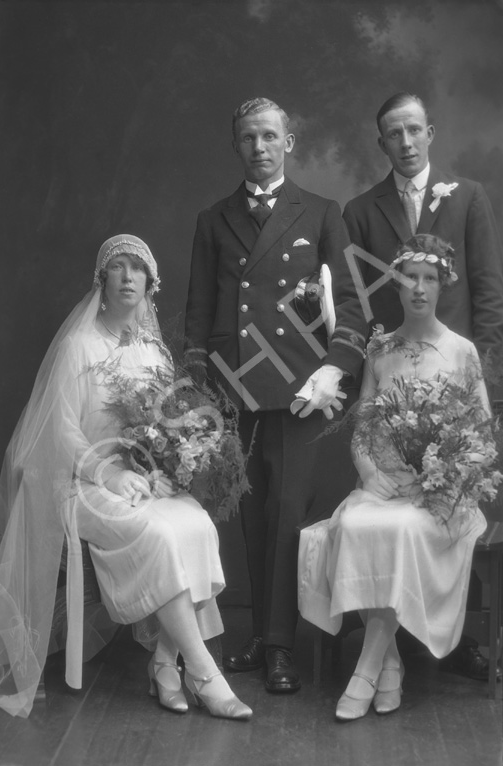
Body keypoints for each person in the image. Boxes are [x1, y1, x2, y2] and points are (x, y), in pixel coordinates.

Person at [0, 234, 252, 720]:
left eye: (138, 269)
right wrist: (105, 472)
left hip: (139, 478)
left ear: (151, 284)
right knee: (156, 533)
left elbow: (166, 423)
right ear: (102, 279)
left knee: (195, 524)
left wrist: (166, 466)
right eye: (119, 267)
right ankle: (203, 672)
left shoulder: (154, 352)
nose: (129, 277)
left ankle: (162, 661)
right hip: (78, 483)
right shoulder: (78, 345)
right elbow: (59, 429)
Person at [184, 97, 367, 693]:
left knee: (287, 515)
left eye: (269, 136)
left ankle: (283, 645)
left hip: (300, 389)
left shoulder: (320, 212)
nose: (259, 148)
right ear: (236, 146)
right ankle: (263, 635)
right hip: (235, 387)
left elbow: (355, 309)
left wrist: (335, 368)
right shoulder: (213, 219)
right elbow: (199, 314)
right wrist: (200, 386)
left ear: (290, 142)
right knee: (250, 519)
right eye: (247, 138)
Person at [342, 91, 503, 679]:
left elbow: (487, 293)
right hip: (394, 380)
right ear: (381, 142)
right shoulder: (362, 211)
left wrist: (481, 384)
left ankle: (459, 634)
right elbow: (359, 305)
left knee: (455, 500)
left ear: (430, 132)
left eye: (414, 130)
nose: (405, 143)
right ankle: (392, 638)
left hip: (456, 378)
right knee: (386, 503)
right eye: (393, 134)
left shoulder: (468, 198)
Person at [298, 234, 491, 720]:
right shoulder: (380, 349)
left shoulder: (461, 350)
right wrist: (370, 472)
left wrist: (441, 478)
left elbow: (481, 434)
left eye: (429, 279)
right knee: (355, 526)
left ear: (442, 285)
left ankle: (366, 670)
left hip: (441, 498)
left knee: (401, 530)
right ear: (399, 285)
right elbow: (362, 426)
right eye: (410, 279)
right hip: (383, 487)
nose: (419, 289)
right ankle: (389, 664)